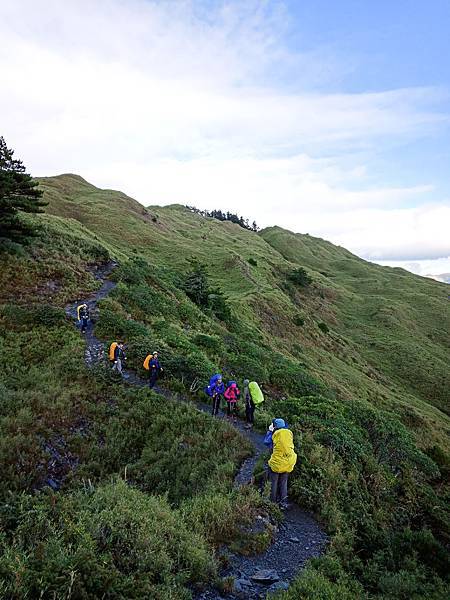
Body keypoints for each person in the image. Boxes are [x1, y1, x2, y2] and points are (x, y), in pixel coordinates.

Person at [267, 418, 297, 509]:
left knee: (274, 482)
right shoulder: (289, 433)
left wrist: (269, 431)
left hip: (277, 463)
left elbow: (266, 442)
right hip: (289, 462)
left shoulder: (275, 434)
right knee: (284, 482)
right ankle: (283, 501)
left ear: (275, 426)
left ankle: (272, 502)